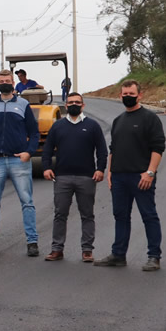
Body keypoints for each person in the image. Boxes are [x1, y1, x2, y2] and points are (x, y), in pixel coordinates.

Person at [95, 80, 166, 271]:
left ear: (139, 95)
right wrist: (110, 172)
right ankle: (118, 255)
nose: (127, 96)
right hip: (119, 178)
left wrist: (150, 172)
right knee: (121, 216)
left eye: (131, 93)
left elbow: (158, 148)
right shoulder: (118, 120)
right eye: (124, 93)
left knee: (148, 216)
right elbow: (114, 149)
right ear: (120, 95)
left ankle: (154, 256)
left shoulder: (150, 119)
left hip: (141, 177)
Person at [0, 69, 40, 256]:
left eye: (7, 80)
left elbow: (34, 132)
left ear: (13, 83)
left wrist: (29, 153)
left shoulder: (23, 104)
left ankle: (32, 242)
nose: (4, 83)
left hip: (18, 161)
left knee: (27, 201)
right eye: (1, 80)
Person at [41, 92, 107, 263]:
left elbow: (101, 150)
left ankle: (87, 250)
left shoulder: (92, 126)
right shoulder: (57, 126)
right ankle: (57, 249)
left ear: (83, 105)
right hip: (62, 177)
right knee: (60, 214)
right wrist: (46, 168)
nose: (74, 104)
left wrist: (100, 169)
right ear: (66, 105)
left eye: (77, 102)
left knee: (87, 215)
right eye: (71, 102)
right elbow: (47, 149)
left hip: (87, 178)